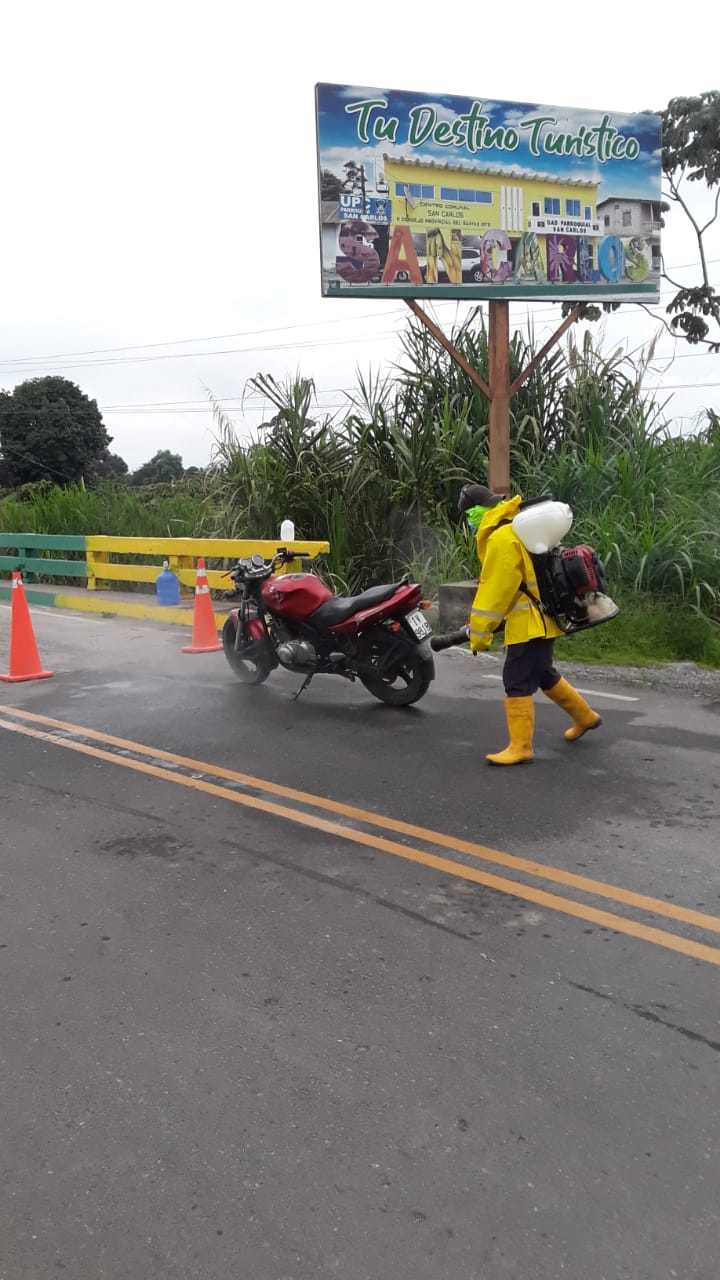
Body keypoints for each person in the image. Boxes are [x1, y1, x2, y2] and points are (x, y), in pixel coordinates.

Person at [459, 482, 602, 766]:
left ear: (477, 512)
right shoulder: (521, 525)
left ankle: (521, 747)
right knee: (543, 673)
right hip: (546, 617)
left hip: (527, 623)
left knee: (516, 680)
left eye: (469, 516)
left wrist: (480, 634)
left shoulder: (502, 538)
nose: (470, 523)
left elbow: (494, 593)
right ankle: (585, 717)